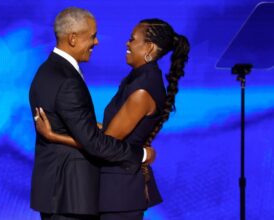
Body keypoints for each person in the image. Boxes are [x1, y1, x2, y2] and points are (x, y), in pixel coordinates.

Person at [34, 18, 190, 220]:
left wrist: (53, 135)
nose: (127, 43)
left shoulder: (143, 89)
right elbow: (108, 130)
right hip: (113, 191)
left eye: (132, 39)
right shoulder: (137, 79)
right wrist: (78, 125)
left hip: (120, 195)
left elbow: (102, 145)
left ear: (149, 48)